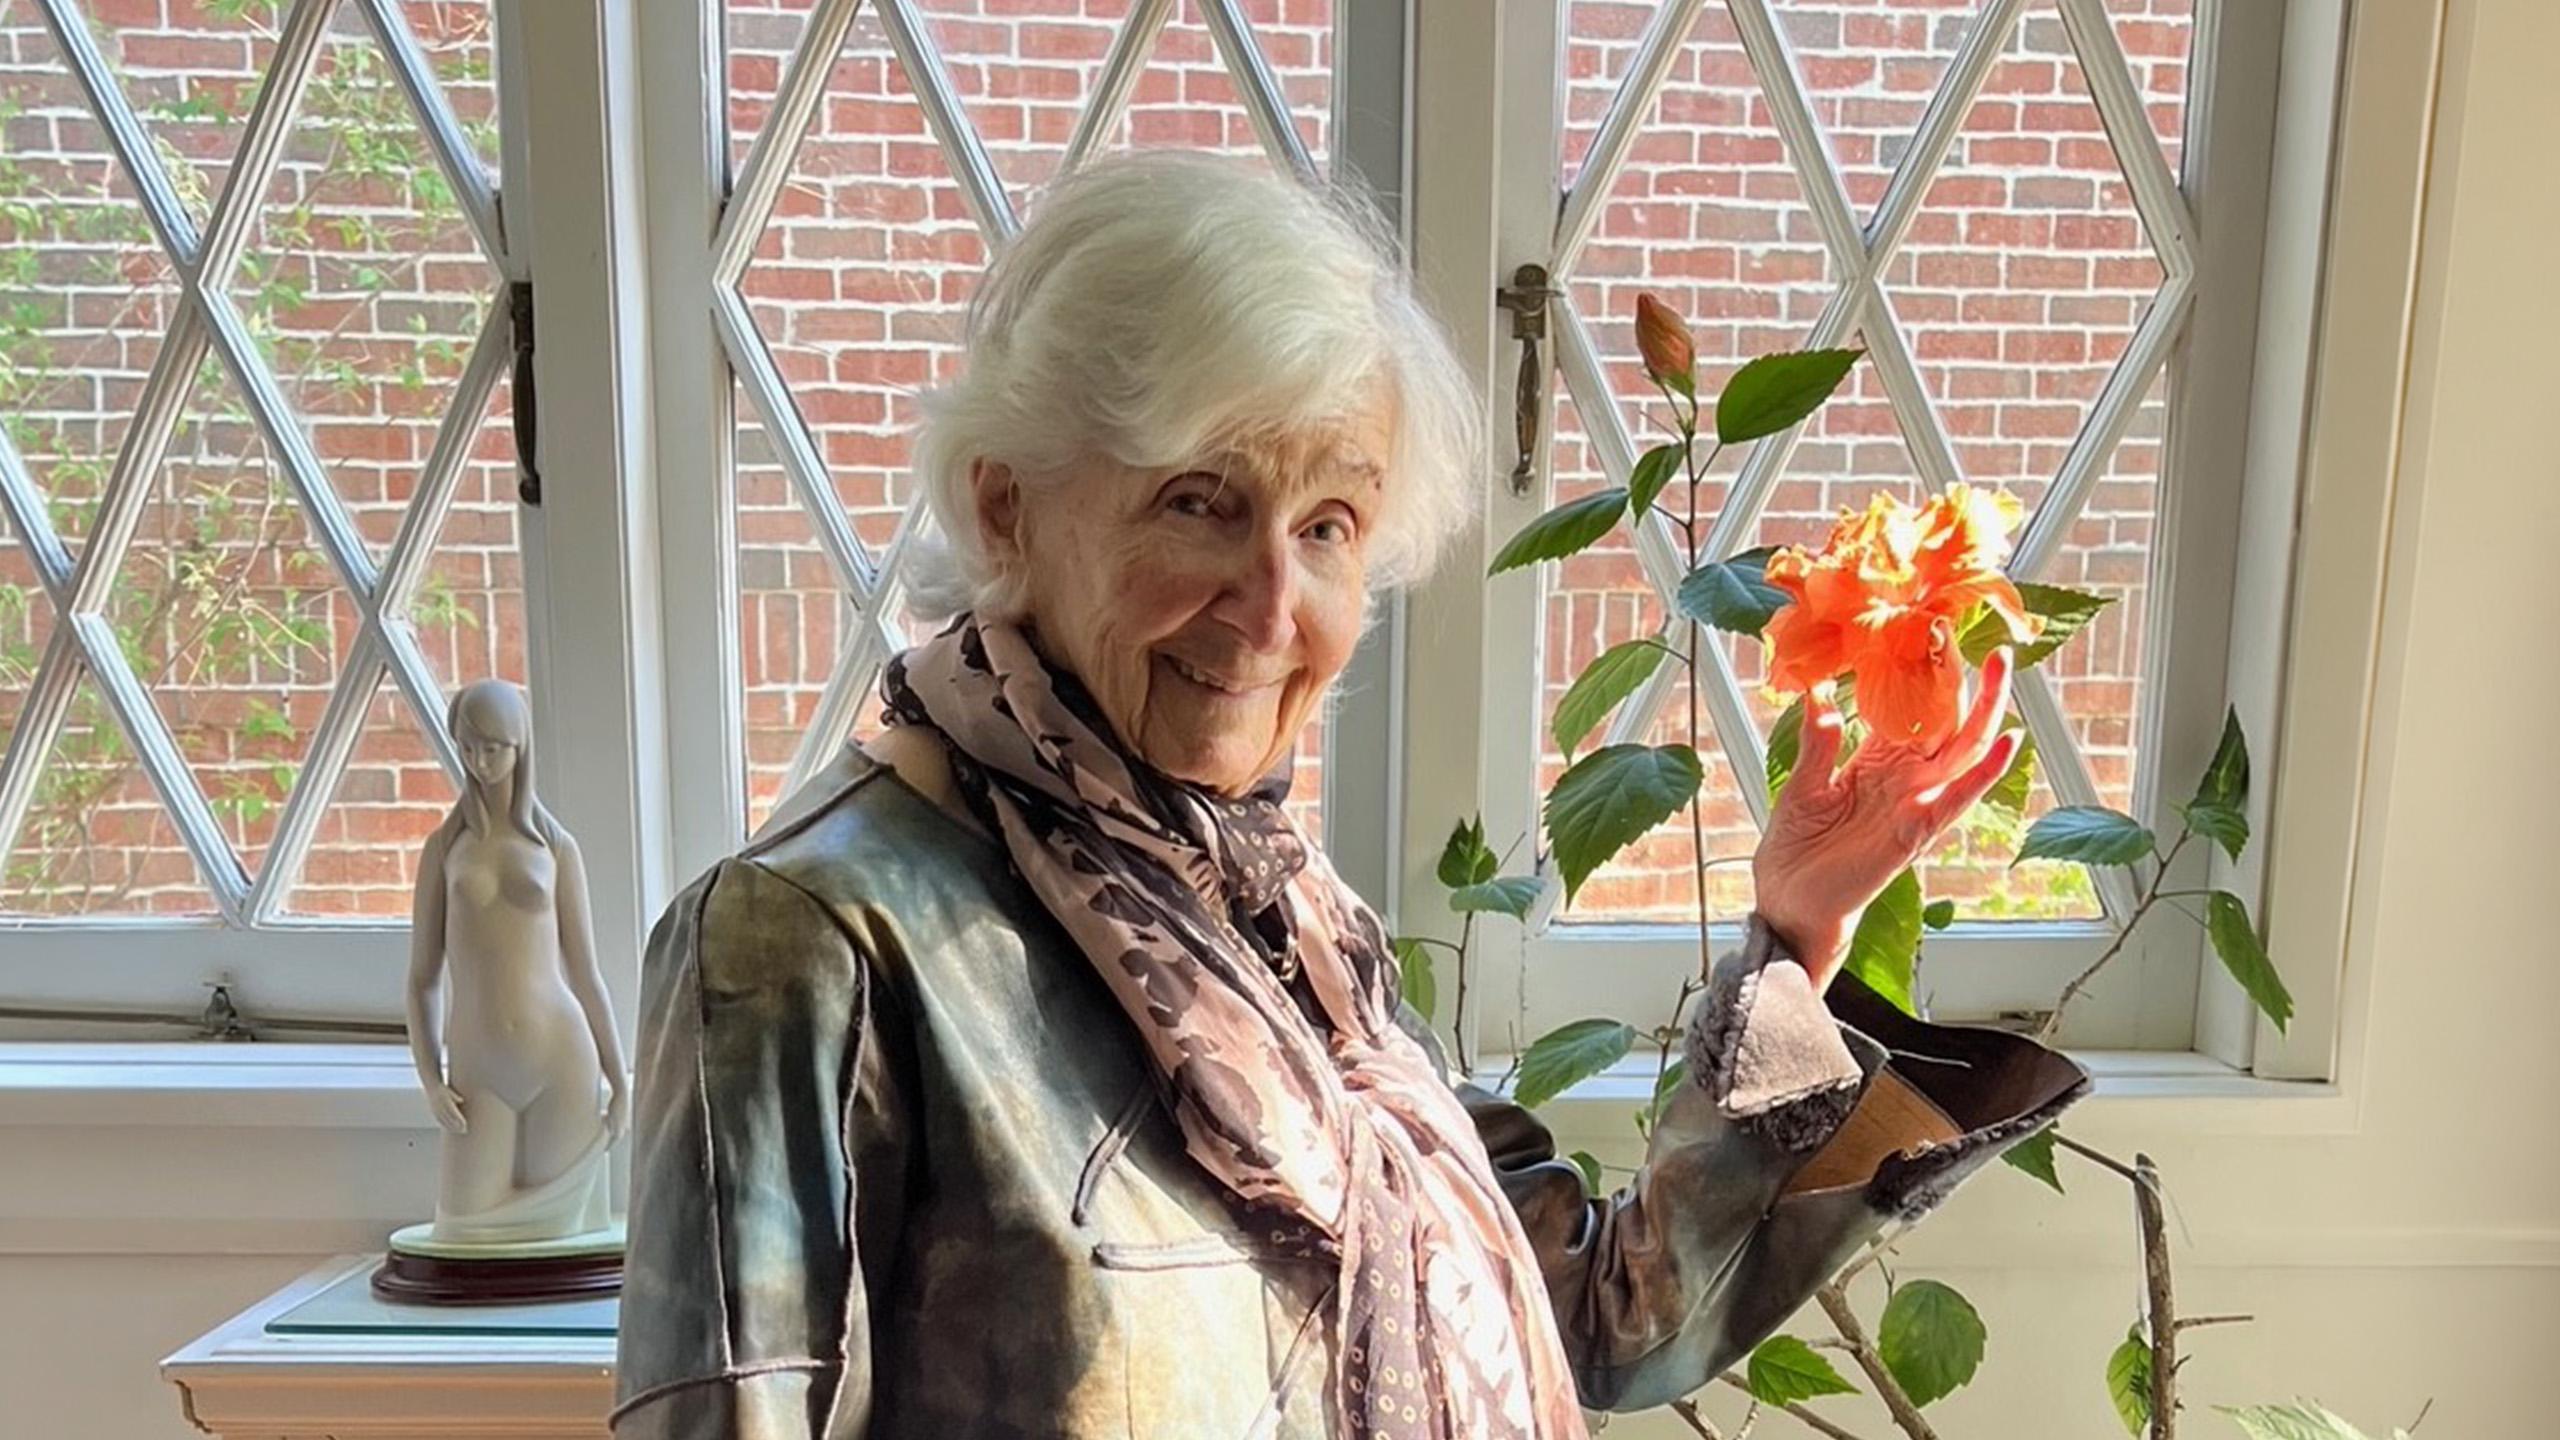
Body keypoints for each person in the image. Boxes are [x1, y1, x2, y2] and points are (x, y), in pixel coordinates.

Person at [610, 151, 2086, 1439]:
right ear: (1006, 503)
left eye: (1328, 524)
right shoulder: (808, 948)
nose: (1270, 610)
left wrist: (1794, 940)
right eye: (1199, 500)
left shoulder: (1284, 925)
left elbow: (1604, 1321)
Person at [407, 678, 629, 1244]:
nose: (480, 762)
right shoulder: (443, 849)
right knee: (466, 1230)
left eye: (494, 747)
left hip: (560, 1058)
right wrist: (431, 1079)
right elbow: (423, 980)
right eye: (468, 747)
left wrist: (619, 1078)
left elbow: (585, 972)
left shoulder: (556, 848)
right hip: (479, 1069)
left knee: (564, 1239)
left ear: (521, 746)